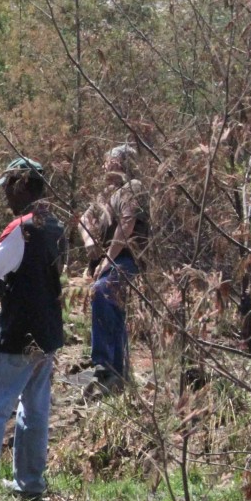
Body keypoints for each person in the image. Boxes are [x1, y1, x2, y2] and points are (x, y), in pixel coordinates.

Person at [0, 157, 67, 501]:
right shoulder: (55, 224)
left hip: (19, 330)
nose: (5, 194)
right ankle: (30, 482)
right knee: (35, 408)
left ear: (22, 185)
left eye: (8, 185)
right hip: (48, 328)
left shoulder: (21, 228)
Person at [78, 144, 150, 394]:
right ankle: (115, 373)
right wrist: (90, 243)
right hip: (110, 260)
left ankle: (107, 366)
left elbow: (127, 225)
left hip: (127, 260)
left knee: (103, 290)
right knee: (108, 304)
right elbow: (85, 219)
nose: (103, 166)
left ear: (119, 163)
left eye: (107, 161)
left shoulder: (133, 188)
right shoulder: (105, 195)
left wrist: (107, 260)